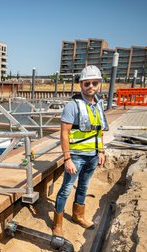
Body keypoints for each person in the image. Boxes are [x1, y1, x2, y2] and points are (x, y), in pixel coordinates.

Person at [52, 65, 109, 237]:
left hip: (92, 155)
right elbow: (64, 133)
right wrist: (67, 158)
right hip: (76, 156)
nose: (90, 86)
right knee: (66, 189)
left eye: (94, 83)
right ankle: (57, 225)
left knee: (83, 187)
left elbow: (99, 131)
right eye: (86, 83)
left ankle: (78, 215)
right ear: (81, 85)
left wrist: (101, 151)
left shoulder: (98, 105)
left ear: (99, 84)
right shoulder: (72, 106)